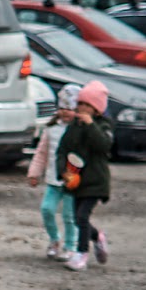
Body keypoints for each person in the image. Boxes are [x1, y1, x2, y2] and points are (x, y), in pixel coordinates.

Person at [58, 80, 114, 271]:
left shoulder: (103, 125)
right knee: (77, 217)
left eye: (87, 105)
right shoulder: (74, 126)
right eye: (80, 104)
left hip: (96, 181)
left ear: (96, 108)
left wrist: (91, 126)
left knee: (82, 217)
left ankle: (81, 253)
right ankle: (97, 236)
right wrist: (62, 171)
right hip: (76, 181)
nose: (82, 108)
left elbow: (104, 146)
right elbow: (63, 149)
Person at [27, 84, 81, 260]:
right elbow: (42, 153)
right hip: (53, 179)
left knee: (69, 215)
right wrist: (34, 173)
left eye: (70, 108)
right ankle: (54, 240)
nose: (65, 112)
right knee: (47, 209)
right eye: (62, 108)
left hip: (73, 181)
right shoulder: (51, 128)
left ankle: (70, 246)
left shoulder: (80, 130)